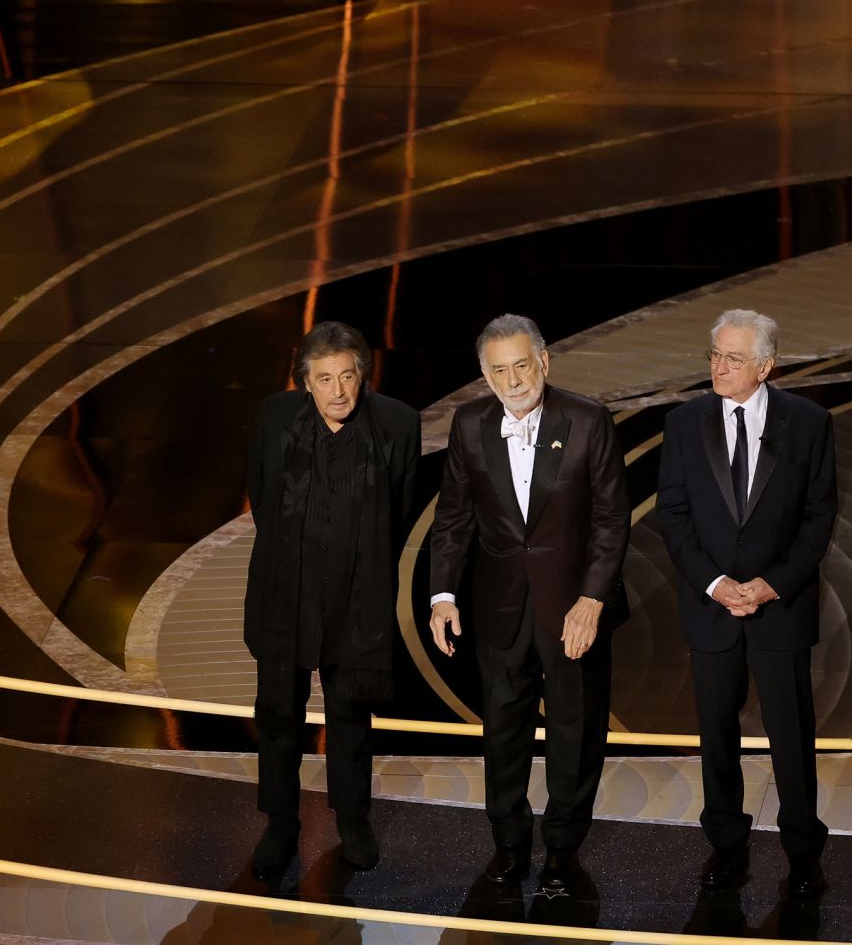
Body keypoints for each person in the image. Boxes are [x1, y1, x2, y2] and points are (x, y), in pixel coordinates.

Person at [428, 314, 630, 891]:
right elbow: (453, 519)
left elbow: (612, 521)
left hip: (573, 612)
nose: (513, 379)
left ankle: (563, 851)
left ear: (544, 361)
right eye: (498, 369)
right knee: (503, 733)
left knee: (575, 731)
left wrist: (592, 598)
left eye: (522, 365)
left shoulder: (588, 420)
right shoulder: (469, 425)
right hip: (499, 611)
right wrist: (443, 595)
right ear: (483, 375)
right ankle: (510, 845)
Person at [655, 308, 837, 897]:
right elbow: (673, 515)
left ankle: (804, 850)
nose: (719, 367)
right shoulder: (685, 422)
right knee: (715, 730)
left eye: (733, 358)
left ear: (766, 365)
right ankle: (726, 844)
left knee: (791, 733)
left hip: (779, 605)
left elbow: (817, 518)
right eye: (714, 355)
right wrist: (715, 584)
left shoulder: (808, 422)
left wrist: (769, 584)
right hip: (710, 606)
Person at [243, 321, 420, 880]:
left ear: (362, 377)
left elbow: (403, 509)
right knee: (277, 714)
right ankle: (280, 822)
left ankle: (352, 819)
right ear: (306, 383)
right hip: (285, 593)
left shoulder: (396, 423)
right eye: (325, 379)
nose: (338, 391)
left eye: (347, 377)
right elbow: (262, 493)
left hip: (356, 597)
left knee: (350, 716)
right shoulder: (276, 416)